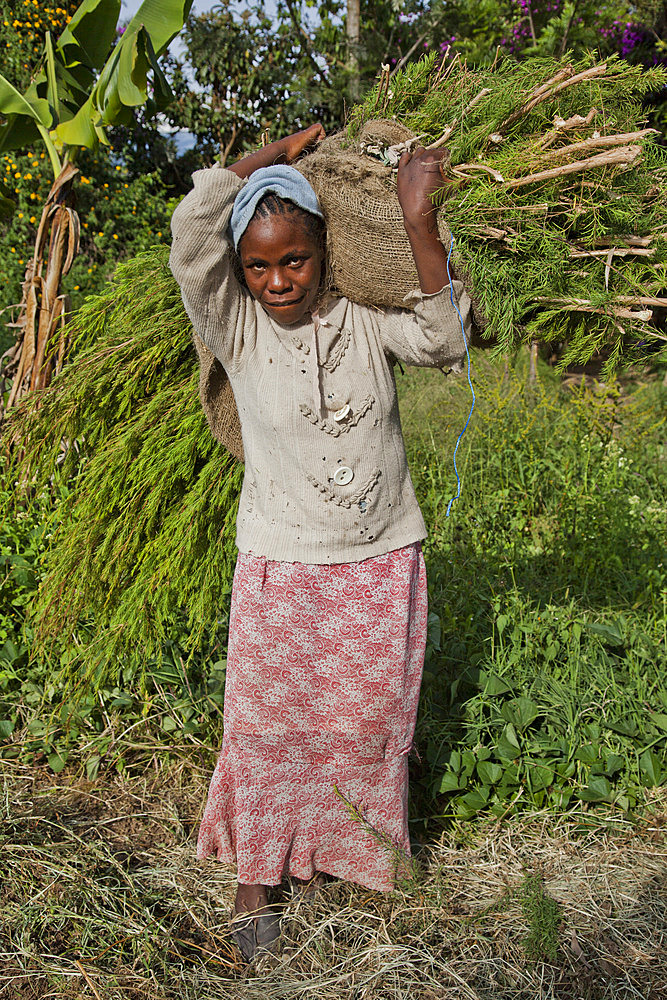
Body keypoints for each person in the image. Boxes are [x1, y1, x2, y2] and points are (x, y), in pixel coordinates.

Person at [169, 124, 472, 963]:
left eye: (293, 259)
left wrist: (417, 222)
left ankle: (348, 853)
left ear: (321, 250)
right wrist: (265, 160)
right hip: (281, 563)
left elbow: (445, 339)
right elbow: (191, 232)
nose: (277, 281)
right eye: (259, 265)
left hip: (377, 561)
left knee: (365, 724)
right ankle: (255, 880)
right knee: (264, 726)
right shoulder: (236, 326)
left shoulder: (367, 322)